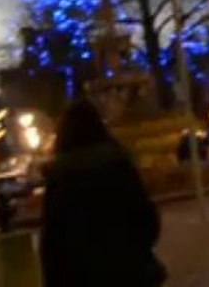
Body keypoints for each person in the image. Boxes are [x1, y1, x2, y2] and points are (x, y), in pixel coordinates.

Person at [41, 98, 165, 286]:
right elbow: (145, 218)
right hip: (129, 270)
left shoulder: (60, 176)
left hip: (83, 276)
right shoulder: (119, 164)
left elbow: (53, 240)